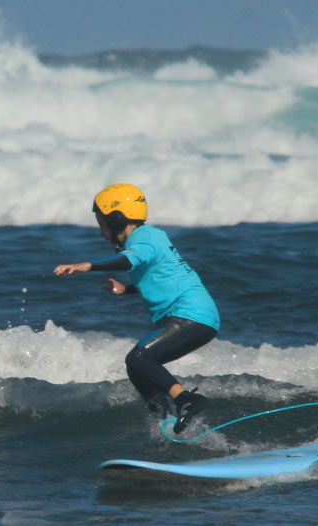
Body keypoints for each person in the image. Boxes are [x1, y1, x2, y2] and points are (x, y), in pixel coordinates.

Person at [54, 183, 219, 434]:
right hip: (197, 318)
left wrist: (87, 265)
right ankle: (163, 423)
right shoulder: (151, 239)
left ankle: (186, 399)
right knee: (138, 368)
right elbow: (160, 278)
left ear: (117, 220)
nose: (101, 233)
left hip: (190, 315)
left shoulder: (144, 238)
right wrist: (126, 289)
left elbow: (129, 259)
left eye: (102, 224)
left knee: (138, 358)